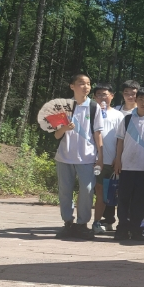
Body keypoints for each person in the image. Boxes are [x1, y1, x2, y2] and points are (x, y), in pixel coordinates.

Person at [53, 73, 104, 240]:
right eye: (81, 83)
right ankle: (68, 223)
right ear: (72, 86)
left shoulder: (94, 107)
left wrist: (100, 156)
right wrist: (65, 128)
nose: (86, 87)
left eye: (88, 83)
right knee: (65, 191)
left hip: (87, 157)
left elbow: (97, 133)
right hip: (65, 157)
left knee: (87, 190)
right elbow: (57, 135)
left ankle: (82, 224)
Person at [112, 87, 144, 241]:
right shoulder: (127, 119)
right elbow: (120, 141)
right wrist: (118, 160)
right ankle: (122, 227)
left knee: (140, 199)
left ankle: (137, 228)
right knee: (123, 198)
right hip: (126, 166)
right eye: (141, 99)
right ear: (136, 100)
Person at [92, 83, 125, 234]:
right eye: (98, 95)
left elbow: (120, 139)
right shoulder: (90, 112)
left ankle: (99, 222)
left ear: (112, 96)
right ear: (94, 97)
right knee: (91, 192)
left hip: (110, 161)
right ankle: (86, 222)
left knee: (107, 193)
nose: (102, 97)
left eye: (105, 94)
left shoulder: (118, 115)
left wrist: (118, 158)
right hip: (91, 160)